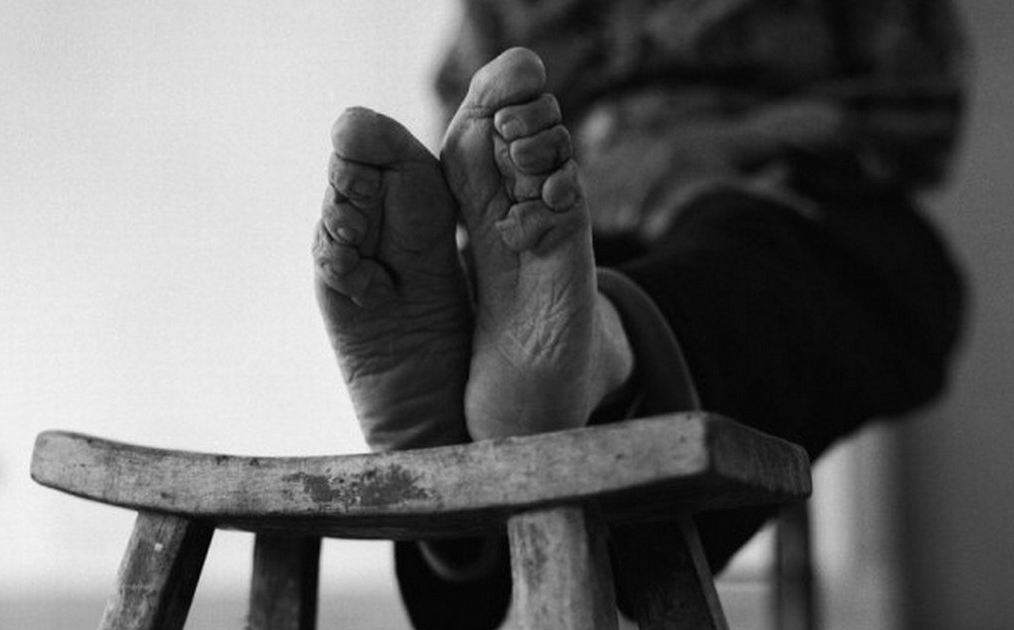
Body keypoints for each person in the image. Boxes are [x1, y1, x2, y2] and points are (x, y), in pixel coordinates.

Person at [313, 1, 967, 628]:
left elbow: (918, 111)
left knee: (764, 254)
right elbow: (468, 135)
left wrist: (713, 148)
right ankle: (567, 365)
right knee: (530, 286)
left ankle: (479, 451)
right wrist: (580, 172)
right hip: (575, 212)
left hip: (768, 189)